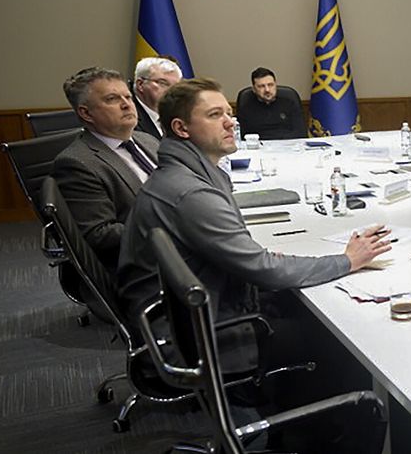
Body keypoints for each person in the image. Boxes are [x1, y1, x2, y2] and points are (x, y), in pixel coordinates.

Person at [117, 77, 389, 339]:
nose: (230, 122)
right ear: (181, 128)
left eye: (229, 113)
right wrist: (347, 260)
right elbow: (264, 270)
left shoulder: (189, 174)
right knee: (348, 330)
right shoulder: (190, 192)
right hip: (198, 332)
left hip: (197, 313)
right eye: (214, 115)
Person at [52, 67, 160, 270]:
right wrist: (170, 225)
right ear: (86, 113)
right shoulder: (77, 163)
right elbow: (100, 234)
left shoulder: (148, 140)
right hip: (144, 262)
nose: (127, 105)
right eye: (112, 99)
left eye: (128, 97)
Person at [235, 67, 307, 140]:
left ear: (275, 85)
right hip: (259, 145)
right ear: (254, 89)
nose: (267, 90)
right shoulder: (246, 107)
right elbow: (243, 136)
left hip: (288, 144)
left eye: (270, 85)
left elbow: (301, 133)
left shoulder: (289, 102)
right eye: (261, 86)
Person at [132, 56, 182, 140]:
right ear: (140, 84)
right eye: (163, 83)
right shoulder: (128, 115)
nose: (171, 91)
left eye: (176, 86)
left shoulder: (177, 116)